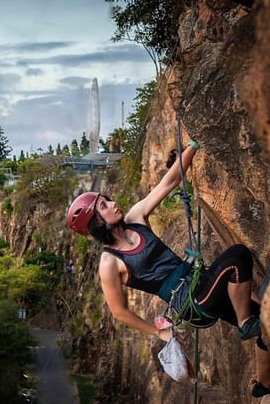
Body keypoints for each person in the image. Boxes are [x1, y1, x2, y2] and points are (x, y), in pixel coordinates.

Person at [66, 139, 270, 397]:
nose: (112, 203)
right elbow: (119, 312)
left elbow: (170, 182)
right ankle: (244, 322)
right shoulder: (110, 262)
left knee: (267, 324)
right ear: (94, 223)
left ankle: (263, 384)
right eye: (103, 207)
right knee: (237, 256)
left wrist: (194, 145)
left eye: (107, 200)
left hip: (203, 283)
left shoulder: (135, 218)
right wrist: (159, 332)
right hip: (191, 302)